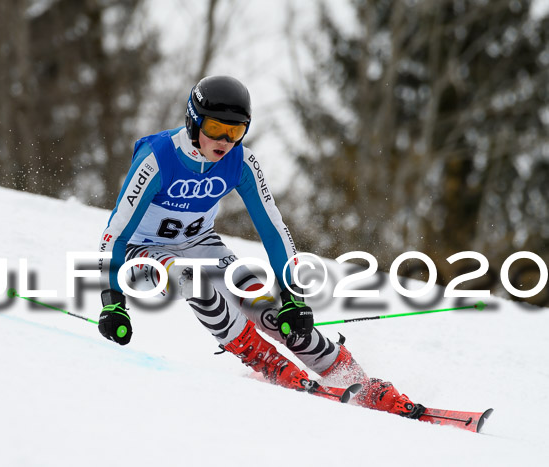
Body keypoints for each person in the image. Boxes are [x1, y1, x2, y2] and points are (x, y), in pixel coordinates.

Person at [97, 75, 424, 418]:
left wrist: (293, 298)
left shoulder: (242, 162)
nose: (225, 140)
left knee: (267, 303)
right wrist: (113, 301)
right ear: (193, 122)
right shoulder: (158, 159)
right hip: (141, 252)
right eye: (216, 128)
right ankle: (264, 359)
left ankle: (359, 382)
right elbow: (114, 235)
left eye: (236, 131)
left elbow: (274, 230)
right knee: (191, 278)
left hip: (199, 243)